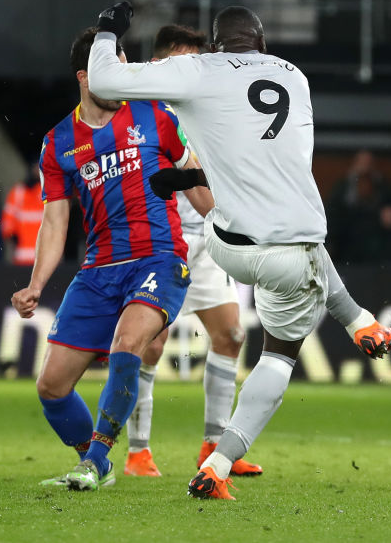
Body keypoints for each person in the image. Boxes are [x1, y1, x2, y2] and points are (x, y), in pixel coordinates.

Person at [87, 2, 391, 500]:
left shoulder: (199, 68)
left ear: (214, 45)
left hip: (225, 242)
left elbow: (103, 81)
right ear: (264, 44)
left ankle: (215, 459)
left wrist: (108, 30)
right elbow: (265, 156)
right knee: (282, 344)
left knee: (245, 329)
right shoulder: (295, 77)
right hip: (289, 249)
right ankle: (358, 320)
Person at [11, 27, 211, 491]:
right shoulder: (58, 142)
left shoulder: (156, 115)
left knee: (127, 345)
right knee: (51, 388)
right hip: (98, 270)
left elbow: (197, 180)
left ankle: (97, 460)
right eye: (110, 70)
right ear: (86, 76)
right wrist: (36, 284)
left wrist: (235, 229)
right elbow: (55, 223)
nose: (121, 78)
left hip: (159, 258)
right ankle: (94, 461)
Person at [122, 24, 265, 479]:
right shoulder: (144, 111)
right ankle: (138, 452)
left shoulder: (202, 105)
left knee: (231, 336)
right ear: (159, 64)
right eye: (184, 61)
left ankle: (214, 445)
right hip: (163, 240)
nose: (193, 71)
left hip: (204, 237)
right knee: (151, 344)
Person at [1, 161, 44, 265]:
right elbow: (7, 223)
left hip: (44, 258)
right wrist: (13, 239)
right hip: (22, 257)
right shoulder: (18, 192)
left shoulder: (49, 191)